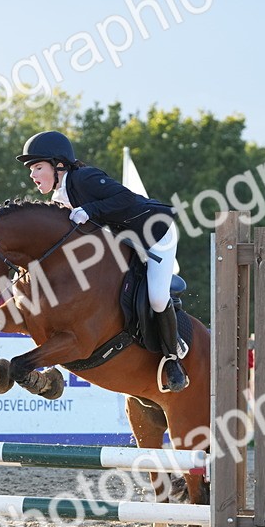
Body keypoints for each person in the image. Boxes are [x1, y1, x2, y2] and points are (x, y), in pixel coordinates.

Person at [16, 130, 187, 392]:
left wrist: (91, 210)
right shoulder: (58, 199)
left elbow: (126, 198)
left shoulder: (84, 178)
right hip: (124, 242)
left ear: (58, 164)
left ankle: (173, 357)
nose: (32, 175)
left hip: (156, 234)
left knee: (157, 297)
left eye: (38, 167)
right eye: (31, 170)